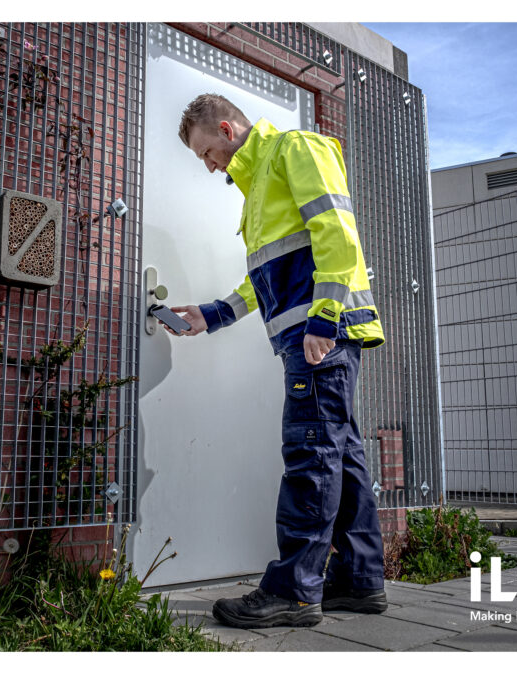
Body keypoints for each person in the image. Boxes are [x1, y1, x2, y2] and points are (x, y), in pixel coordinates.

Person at [166, 93, 388, 629]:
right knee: (341, 455)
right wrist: (213, 314)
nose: (208, 164)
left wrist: (324, 318)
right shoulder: (258, 184)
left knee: (311, 455)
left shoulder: (295, 148)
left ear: (226, 128)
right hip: (311, 337)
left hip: (320, 336)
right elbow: (267, 275)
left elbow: (337, 231)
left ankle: (293, 591)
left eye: (205, 152)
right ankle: (359, 581)